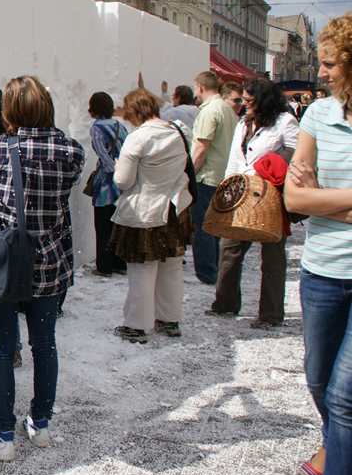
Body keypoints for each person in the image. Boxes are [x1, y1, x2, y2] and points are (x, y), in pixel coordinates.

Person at [0, 76, 84, 461]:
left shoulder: (5, 147)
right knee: (45, 344)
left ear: (12, 111)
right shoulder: (71, 151)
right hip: (51, 263)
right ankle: (41, 423)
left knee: (2, 347)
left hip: (8, 266)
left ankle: (2, 435)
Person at [285, 13, 352, 475]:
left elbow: (312, 196)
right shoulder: (317, 115)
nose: (321, 72)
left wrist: (324, 194)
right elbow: (294, 200)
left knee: (345, 396)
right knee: (318, 378)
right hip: (322, 270)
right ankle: (338, 448)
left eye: (329, 63)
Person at [207, 78, 298, 329]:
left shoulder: (285, 122)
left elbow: (296, 154)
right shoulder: (243, 123)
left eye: (249, 100)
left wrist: (269, 165)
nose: (245, 104)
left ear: (264, 101)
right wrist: (227, 188)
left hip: (271, 196)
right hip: (242, 191)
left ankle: (270, 314)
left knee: (272, 256)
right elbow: (235, 158)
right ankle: (225, 303)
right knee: (230, 247)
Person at [110, 89, 193, 344]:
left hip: (145, 209)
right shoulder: (178, 132)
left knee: (142, 270)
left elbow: (123, 181)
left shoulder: (138, 138)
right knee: (171, 266)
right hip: (174, 207)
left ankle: (137, 324)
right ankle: (169, 319)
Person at [190, 71, 238, 285]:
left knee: (203, 227)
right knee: (216, 227)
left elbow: (201, 147)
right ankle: (215, 268)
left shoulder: (210, 111)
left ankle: (207, 272)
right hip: (223, 175)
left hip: (207, 177)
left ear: (200, 87)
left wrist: (189, 174)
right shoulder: (227, 109)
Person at [87, 92, 128, 277]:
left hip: (106, 182)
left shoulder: (96, 127)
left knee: (102, 225)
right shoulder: (120, 125)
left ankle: (104, 266)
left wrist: (111, 170)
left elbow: (102, 153)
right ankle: (119, 262)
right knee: (117, 223)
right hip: (122, 180)